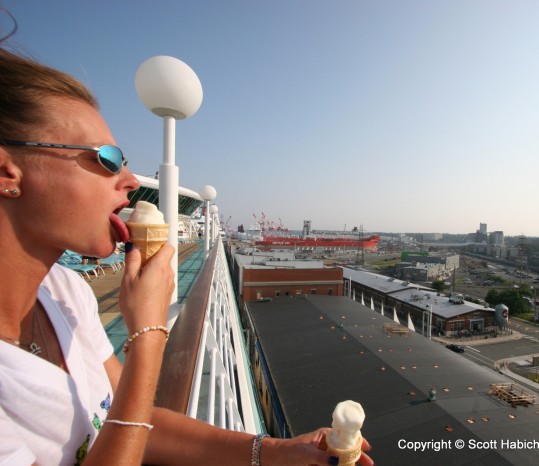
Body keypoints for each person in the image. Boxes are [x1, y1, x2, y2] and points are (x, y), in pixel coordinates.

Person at [0, 41, 373, 466]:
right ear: (6, 172)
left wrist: (279, 451)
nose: (127, 178)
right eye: (106, 159)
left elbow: (138, 424)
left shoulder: (64, 293)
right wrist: (149, 334)